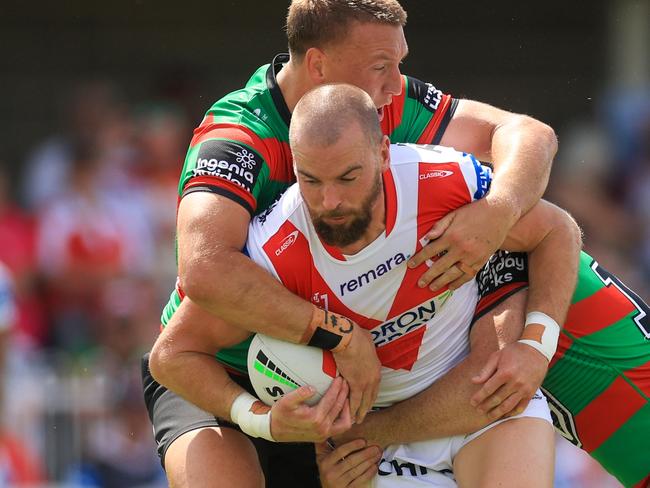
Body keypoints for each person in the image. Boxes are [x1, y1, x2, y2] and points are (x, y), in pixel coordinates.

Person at [143, 0, 559, 486]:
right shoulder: (237, 137)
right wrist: (335, 334)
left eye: (397, 63)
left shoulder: (381, 102)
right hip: (215, 367)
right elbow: (205, 271)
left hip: (328, 384)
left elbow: (526, 133)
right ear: (318, 64)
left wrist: (498, 211)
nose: (394, 83)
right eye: (381, 66)